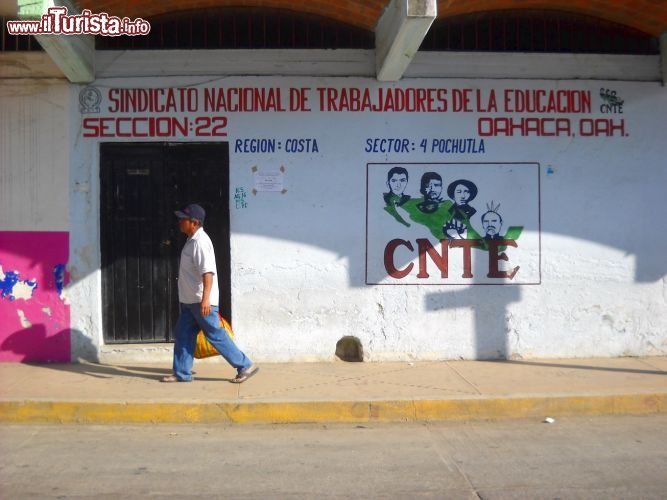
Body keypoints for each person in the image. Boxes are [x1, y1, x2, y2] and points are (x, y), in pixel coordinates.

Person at [161, 203, 258, 384]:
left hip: (201, 302)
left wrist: (206, 299)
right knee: (183, 334)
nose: (180, 222)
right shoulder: (192, 240)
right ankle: (182, 372)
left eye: (184, 219)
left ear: (194, 222)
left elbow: (208, 273)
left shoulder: (200, 242)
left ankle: (245, 365)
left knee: (215, 335)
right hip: (191, 302)